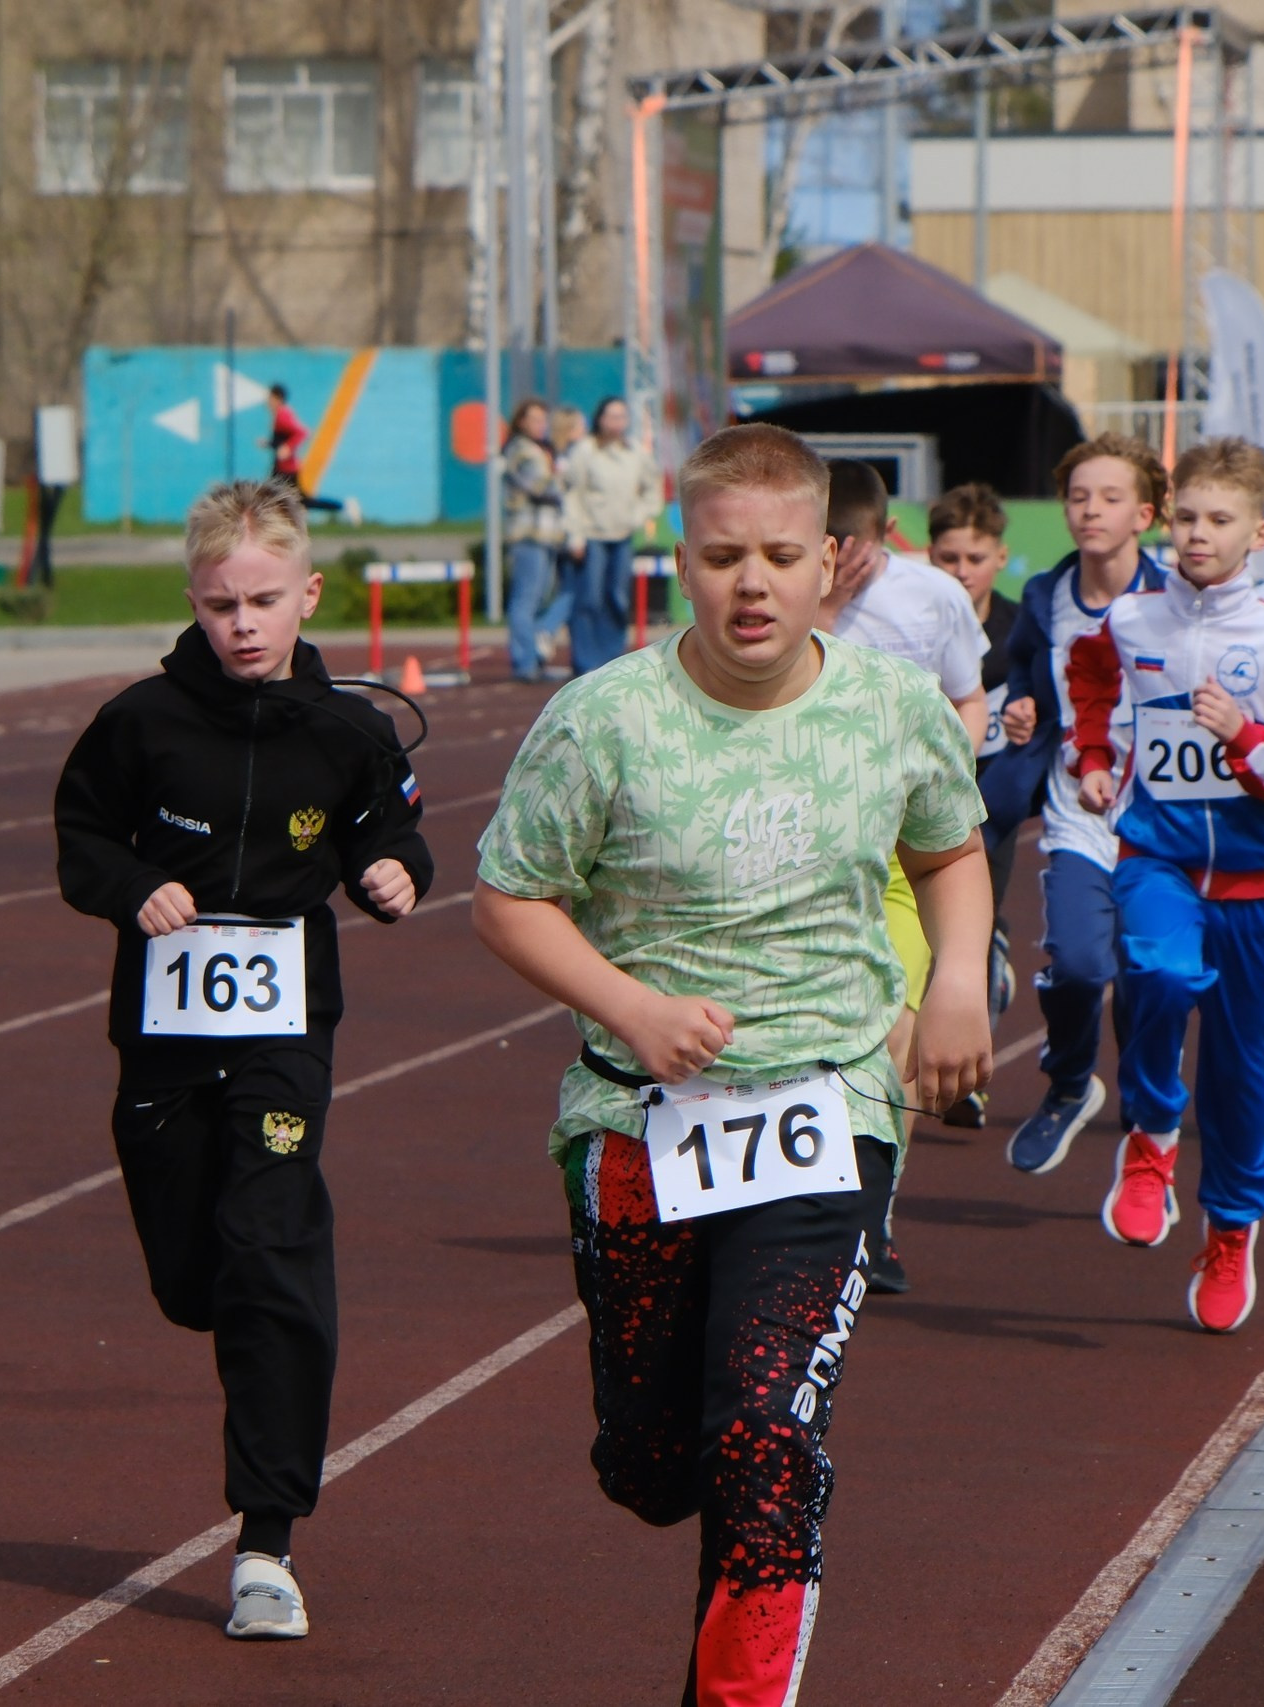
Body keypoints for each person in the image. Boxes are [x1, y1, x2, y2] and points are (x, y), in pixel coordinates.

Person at [474, 424, 992, 1707]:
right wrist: (631, 1008)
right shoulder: (601, 723)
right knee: (658, 1465)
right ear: (680, 562)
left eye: (776, 557)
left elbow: (949, 853)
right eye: (720, 558)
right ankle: (662, 1459)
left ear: (833, 564)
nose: (749, 585)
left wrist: (958, 986)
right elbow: (509, 896)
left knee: (767, 1435)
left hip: (827, 1105)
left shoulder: (892, 711)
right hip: (639, 1121)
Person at [54, 478, 433, 1642]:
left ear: (308, 595)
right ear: (194, 602)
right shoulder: (140, 723)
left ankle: (265, 1543)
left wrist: (392, 875)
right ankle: (231, 1310)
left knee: (270, 1254)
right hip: (164, 1041)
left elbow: (393, 825)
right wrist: (133, 888)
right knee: (191, 1278)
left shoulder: (350, 729)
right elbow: (79, 838)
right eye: (221, 605)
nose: (244, 625)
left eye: (265, 600)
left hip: (282, 1035)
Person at [1067, 436, 1264, 1335]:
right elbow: (1090, 678)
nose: (1196, 534)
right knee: (1157, 972)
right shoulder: (1133, 620)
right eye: (1185, 517)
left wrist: (1245, 737)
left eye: (1219, 520)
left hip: (1254, 884)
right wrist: (1092, 757)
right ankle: (1150, 1136)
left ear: (1258, 532)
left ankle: (1230, 1229)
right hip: (1157, 858)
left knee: (1238, 1068)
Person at [819, 458, 987, 1289]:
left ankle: (872, 1215)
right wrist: (819, 606)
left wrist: (955, 774)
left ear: (884, 536)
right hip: (807, 846)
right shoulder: (786, 597)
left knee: (896, 1030)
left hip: (898, 851)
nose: (831, 560)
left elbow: (968, 695)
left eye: (843, 546)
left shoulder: (933, 597)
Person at [996, 436, 1168, 1175]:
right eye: (1077, 496)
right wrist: (1023, 711)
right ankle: (1069, 1082)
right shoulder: (1046, 597)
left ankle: (1144, 1100)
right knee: (1075, 962)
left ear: (1145, 514)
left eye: (1109, 497)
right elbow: (1025, 675)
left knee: (1149, 975)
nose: (1090, 510)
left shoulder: (1174, 599)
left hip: (1162, 820)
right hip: (1078, 811)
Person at [925, 481, 1032, 1065]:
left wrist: (1028, 716)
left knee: (971, 924)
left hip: (993, 795)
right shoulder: (916, 621)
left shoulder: (1020, 631)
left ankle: (975, 1069)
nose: (963, 572)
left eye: (975, 559)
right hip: (921, 793)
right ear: (930, 555)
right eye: (949, 558)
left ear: (999, 557)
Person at [559, 396, 664, 673]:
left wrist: (638, 515)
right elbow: (573, 494)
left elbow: (653, 488)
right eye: (611, 416)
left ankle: (611, 658)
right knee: (590, 598)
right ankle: (585, 661)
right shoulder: (585, 451)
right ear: (600, 419)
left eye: (622, 417)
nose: (617, 423)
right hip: (592, 535)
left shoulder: (635, 453)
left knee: (617, 597)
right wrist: (575, 535)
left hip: (622, 535)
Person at [501, 398, 573, 683]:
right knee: (525, 600)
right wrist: (569, 478)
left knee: (539, 598)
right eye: (535, 420)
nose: (541, 426)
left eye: (543, 420)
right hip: (528, 534)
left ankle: (533, 650)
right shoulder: (522, 450)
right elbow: (543, 487)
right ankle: (525, 661)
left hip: (545, 535)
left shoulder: (542, 450)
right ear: (521, 422)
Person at [261, 383, 363, 525]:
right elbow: (283, 439)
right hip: (281, 468)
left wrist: (287, 448)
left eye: (269, 397)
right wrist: (269, 443)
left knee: (294, 499)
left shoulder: (283, 415)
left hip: (286, 469)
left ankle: (344, 506)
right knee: (275, 497)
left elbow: (302, 432)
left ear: (277, 398)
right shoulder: (280, 414)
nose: (267, 401)